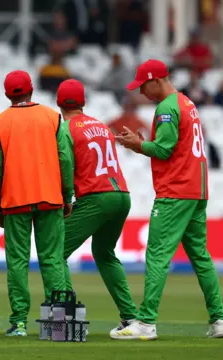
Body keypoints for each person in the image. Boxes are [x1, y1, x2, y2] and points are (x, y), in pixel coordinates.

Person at [112, 59, 223, 340]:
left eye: (143, 86)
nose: (141, 92)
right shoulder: (187, 104)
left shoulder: (167, 108)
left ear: (156, 80)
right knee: (200, 257)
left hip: (176, 191)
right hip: (196, 191)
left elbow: (163, 150)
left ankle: (146, 323)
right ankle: (220, 319)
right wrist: (141, 143)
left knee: (158, 255)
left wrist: (137, 146)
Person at [0, 70, 69, 336]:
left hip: (14, 200)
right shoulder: (53, 117)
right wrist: (67, 196)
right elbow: (65, 161)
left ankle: (19, 322)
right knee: (53, 260)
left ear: (7, 94)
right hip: (50, 197)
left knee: (18, 262)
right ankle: (59, 320)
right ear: (31, 90)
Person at [55, 79, 138, 335]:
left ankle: (68, 316)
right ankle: (131, 318)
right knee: (104, 253)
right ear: (83, 102)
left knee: (55, 252)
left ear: (58, 103)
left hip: (96, 197)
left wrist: (65, 198)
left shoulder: (65, 129)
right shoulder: (100, 125)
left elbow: (66, 165)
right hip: (122, 194)